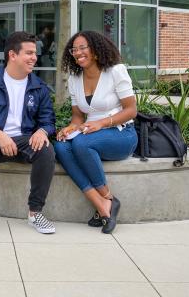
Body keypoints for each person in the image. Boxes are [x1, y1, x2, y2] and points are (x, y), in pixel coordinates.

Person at [0, 31, 57, 238]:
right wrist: (0, 135)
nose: (34, 57)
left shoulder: (39, 87)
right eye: (29, 53)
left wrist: (42, 131)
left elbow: (48, 121)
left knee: (46, 149)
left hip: (22, 140)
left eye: (35, 53)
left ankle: (35, 212)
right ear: (12, 55)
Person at [53, 30, 138, 234]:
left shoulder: (116, 71)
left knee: (82, 143)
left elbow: (131, 110)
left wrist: (102, 123)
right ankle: (104, 204)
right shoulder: (75, 78)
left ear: (97, 50)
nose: (78, 52)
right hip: (90, 133)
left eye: (83, 48)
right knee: (61, 146)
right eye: (74, 49)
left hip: (121, 133)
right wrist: (70, 128)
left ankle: (107, 198)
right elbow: (78, 117)